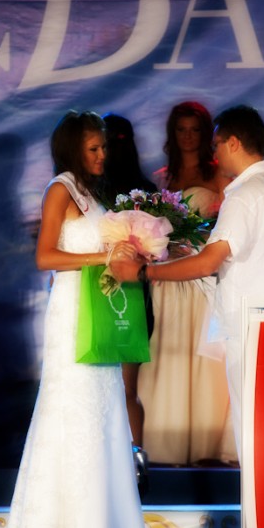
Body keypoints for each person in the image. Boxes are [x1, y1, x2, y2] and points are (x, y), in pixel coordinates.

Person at [111, 105, 264, 528]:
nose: (214, 152)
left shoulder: (245, 194)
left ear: (234, 142)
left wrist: (144, 273)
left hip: (253, 331)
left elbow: (209, 262)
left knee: (256, 445)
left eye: (217, 143)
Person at [3, 110, 150, 528]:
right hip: (70, 317)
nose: (102, 154)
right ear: (73, 149)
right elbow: (45, 256)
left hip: (96, 311)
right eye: (94, 148)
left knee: (100, 420)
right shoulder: (60, 190)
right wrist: (103, 256)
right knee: (70, 416)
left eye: (103, 147)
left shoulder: (91, 194)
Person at [138, 101, 236, 466]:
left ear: (206, 133)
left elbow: (228, 227)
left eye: (195, 130)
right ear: (173, 134)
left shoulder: (218, 174)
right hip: (166, 278)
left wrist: (195, 242)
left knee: (199, 357)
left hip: (199, 276)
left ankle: (201, 442)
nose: (189, 137)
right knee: (166, 351)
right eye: (182, 130)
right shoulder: (162, 177)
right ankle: (166, 443)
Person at [101, 112, 156, 451]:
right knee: (125, 389)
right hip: (128, 298)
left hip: (123, 296)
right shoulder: (144, 191)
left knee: (120, 389)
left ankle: (129, 462)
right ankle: (135, 464)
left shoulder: (93, 193)